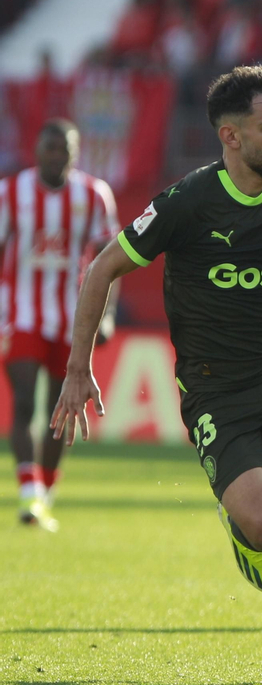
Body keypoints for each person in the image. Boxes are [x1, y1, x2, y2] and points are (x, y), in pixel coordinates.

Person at [51, 65, 262, 685]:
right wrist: (77, 368)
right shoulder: (188, 201)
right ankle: (240, 521)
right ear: (230, 135)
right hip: (216, 385)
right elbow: (100, 270)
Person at [1, 120, 118, 530]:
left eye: (63, 149)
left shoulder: (94, 195)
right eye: (49, 148)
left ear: (74, 152)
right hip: (21, 314)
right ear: (36, 150)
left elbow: (111, 260)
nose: (56, 156)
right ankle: (29, 492)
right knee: (25, 402)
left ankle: (43, 496)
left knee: (60, 407)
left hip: (72, 319)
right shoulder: (10, 193)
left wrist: (106, 315)